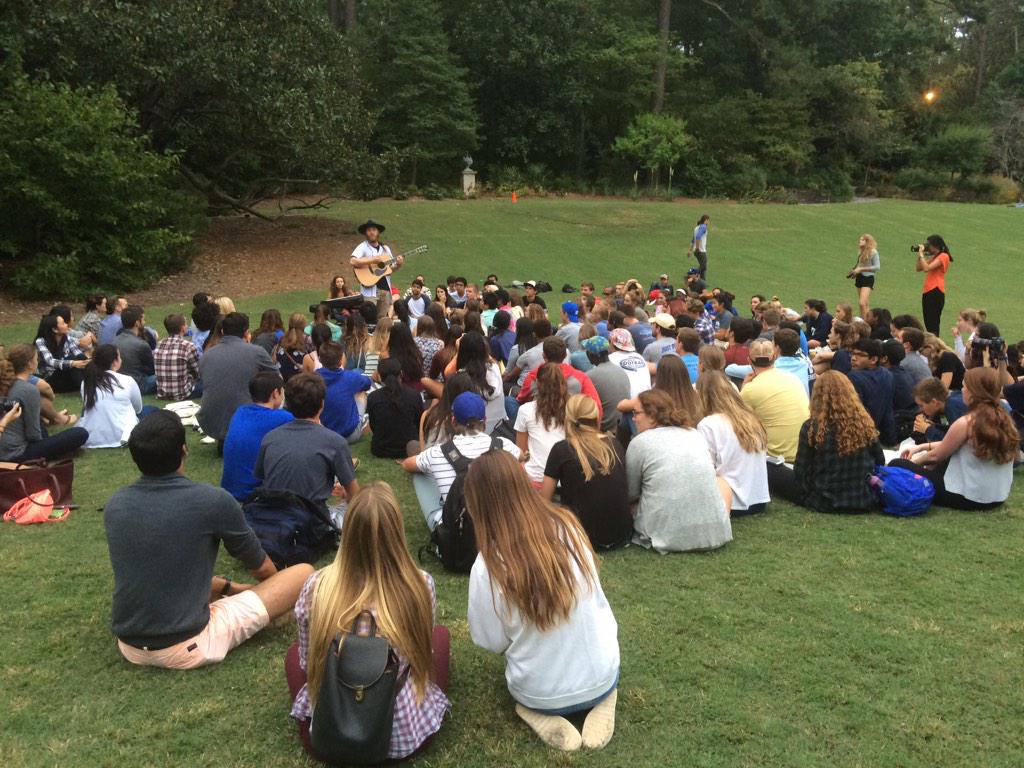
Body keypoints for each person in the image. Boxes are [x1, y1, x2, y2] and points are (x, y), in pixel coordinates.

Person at [104, 412, 312, 671]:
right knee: (303, 573)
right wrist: (276, 591)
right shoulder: (211, 500)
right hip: (188, 644)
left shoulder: (116, 504)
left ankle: (231, 591)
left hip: (130, 645)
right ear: (184, 450)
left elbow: (160, 568)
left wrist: (230, 587)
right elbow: (261, 568)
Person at [466, 450, 620, 752]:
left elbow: (489, 640)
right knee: (599, 669)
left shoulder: (488, 564)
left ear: (478, 504)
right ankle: (602, 694)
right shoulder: (569, 525)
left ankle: (536, 707)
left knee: (532, 683)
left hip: (536, 690)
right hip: (602, 669)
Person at [286, 483, 450, 760]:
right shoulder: (421, 585)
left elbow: (306, 662)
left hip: (330, 732)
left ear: (347, 532)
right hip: (404, 736)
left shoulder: (316, 586)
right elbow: (421, 656)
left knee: (293, 657)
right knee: (440, 637)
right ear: (397, 532)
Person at [890, 368, 1017, 509]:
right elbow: (954, 443)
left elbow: (935, 457)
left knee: (897, 464)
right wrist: (922, 447)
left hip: (968, 497)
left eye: (964, 387)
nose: (962, 390)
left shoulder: (967, 422)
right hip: (998, 496)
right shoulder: (1006, 420)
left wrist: (913, 464)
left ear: (974, 392)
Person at [627, 389, 732, 553]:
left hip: (662, 535)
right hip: (714, 536)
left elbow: (631, 493)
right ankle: (713, 524)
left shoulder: (639, 442)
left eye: (636, 413)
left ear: (652, 416)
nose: (633, 418)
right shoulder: (694, 433)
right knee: (722, 482)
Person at [401, 392, 519, 531]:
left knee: (419, 473)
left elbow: (407, 464)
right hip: (499, 527)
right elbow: (522, 457)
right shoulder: (505, 445)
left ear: (453, 421)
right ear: (485, 420)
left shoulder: (438, 452)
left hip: (458, 535)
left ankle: (439, 524)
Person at [767, 372, 884, 512]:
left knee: (771, 469)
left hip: (823, 500)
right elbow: (880, 460)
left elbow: (801, 472)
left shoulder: (812, 427)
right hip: (862, 499)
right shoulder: (864, 423)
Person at [255, 373, 360, 514]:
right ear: (322, 404)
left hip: (274, 520)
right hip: (313, 524)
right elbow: (355, 496)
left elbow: (263, 478)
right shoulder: (334, 442)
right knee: (358, 505)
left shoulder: (270, 438)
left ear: (288, 404)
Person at [539, 395, 632, 548]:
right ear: (596, 417)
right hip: (622, 535)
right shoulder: (614, 444)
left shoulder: (561, 449)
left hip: (580, 538)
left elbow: (544, 501)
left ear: (568, 419)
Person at [197, 313, 279, 444]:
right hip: (244, 420)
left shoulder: (207, 355)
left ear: (223, 331)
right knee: (276, 390)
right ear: (246, 333)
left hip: (210, 421)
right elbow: (277, 378)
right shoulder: (256, 352)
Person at [696, 371, 770, 516]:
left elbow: (704, 469)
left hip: (729, 501)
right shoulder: (751, 418)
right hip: (758, 500)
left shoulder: (708, 425)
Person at [0, 345, 89, 462]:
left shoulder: (5, 384)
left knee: (40, 423)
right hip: (16, 454)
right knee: (80, 433)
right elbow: (34, 436)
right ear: (29, 364)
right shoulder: (28, 389)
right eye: (36, 359)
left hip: (6, 447)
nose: (37, 362)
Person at [220, 372, 293, 502]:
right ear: (276, 393)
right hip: (254, 493)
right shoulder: (282, 418)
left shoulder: (240, 411)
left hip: (229, 489)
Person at [739, 339, 810, 463]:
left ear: (749, 360)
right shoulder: (793, 378)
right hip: (804, 452)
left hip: (775, 459)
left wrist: (743, 387)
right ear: (775, 357)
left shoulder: (750, 389)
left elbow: (737, 423)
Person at [79, 345, 151, 449]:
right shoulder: (127, 380)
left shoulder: (86, 382)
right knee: (151, 410)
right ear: (115, 361)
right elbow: (138, 409)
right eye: (119, 357)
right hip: (122, 434)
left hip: (93, 435)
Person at [515, 363, 569, 487]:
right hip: (565, 479)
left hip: (534, 479)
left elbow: (522, 452)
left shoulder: (525, 410)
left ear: (537, 383)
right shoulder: (572, 409)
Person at [367, 358, 424, 458]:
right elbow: (419, 423)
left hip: (380, 449)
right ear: (401, 373)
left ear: (379, 377)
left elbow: (374, 425)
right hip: (409, 448)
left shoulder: (373, 397)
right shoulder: (414, 395)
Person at [317, 342, 371, 444]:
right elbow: (367, 383)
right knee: (360, 393)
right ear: (342, 358)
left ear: (320, 359)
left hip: (323, 434)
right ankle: (364, 423)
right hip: (349, 435)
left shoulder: (313, 377)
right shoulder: (349, 377)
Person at [847, 338, 897, 446]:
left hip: (860, 437)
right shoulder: (888, 374)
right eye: (853, 354)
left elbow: (854, 413)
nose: (853, 358)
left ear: (873, 359)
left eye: (860, 355)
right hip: (881, 435)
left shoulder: (853, 377)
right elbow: (888, 410)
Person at [350, 219, 403, 315]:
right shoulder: (362, 247)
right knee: (368, 318)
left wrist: (399, 265)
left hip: (385, 289)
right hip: (370, 290)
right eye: (369, 230)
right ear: (365, 233)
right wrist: (373, 260)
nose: (371, 232)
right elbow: (353, 261)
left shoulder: (385, 249)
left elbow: (389, 269)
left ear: (378, 232)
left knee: (382, 320)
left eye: (374, 230)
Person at [582, 336, 630, 434]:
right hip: (623, 428)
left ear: (591, 355)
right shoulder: (621, 371)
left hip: (604, 430)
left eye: (587, 351)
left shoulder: (590, 376)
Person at [34, 314, 89, 393]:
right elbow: (51, 361)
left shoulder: (67, 338)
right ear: (55, 329)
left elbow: (78, 354)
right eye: (63, 323)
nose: (67, 324)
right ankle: (87, 390)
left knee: (80, 357)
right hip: (51, 380)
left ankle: (93, 384)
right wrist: (72, 363)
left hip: (67, 378)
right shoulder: (41, 341)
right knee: (71, 360)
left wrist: (87, 362)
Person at [154, 314, 202, 401]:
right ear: (183, 328)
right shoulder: (188, 346)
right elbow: (198, 372)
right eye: (186, 324)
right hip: (182, 394)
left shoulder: (159, 344)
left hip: (162, 393)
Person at [112, 305, 157, 395]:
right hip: (139, 385)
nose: (145, 322)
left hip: (120, 384)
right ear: (137, 323)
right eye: (143, 319)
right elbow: (152, 370)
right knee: (165, 374)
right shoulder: (141, 344)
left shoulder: (114, 340)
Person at [910, 377, 967, 445]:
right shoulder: (944, 405)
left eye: (921, 405)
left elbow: (952, 443)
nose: (920, 409)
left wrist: (927, 429)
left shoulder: (953, 407)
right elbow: (948, 429)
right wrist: (934, 426)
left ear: (934, 402)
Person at [916, 234, 952, 336]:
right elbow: (919, 268)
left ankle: (935, 346)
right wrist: (920, 255)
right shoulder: (935, 257)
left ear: (935, 245)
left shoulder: (944, 256)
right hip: (928, 291)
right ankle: (934, 344)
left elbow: (927, 268)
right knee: (928, 322)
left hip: (935, 291)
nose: (928, 247)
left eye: (929, 245)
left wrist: (922, 255)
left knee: (933, 324)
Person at [608, 328, 652, 399]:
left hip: (628, 403)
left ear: (611, 343)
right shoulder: (639, 357)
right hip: (647, 399)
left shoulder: (610, 359)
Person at [847, 234, 880, 319]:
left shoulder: (873, 252)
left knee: (862, 303)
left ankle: (864, 323)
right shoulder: (861, 251)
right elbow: (860, 264)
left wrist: (861, 269)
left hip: (868, 278)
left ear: (867, 241)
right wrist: (855, 270)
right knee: (865, 303)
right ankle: (865, 320)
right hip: (859, 278)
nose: (860, 241)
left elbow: (877, 267)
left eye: (862, 240)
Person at [688, 214, 710, 279]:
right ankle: (693, 277)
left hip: (696, 250)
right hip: (700, 250)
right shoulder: (703, 227)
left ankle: (702, 281)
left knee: (702, 266)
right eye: (708, 221)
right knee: (703, 266)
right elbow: (697, 237)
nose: (708, 222)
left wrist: (690, 250)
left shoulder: (696, 228)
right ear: (706, 220)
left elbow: (693, 240)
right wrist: (697, 248)